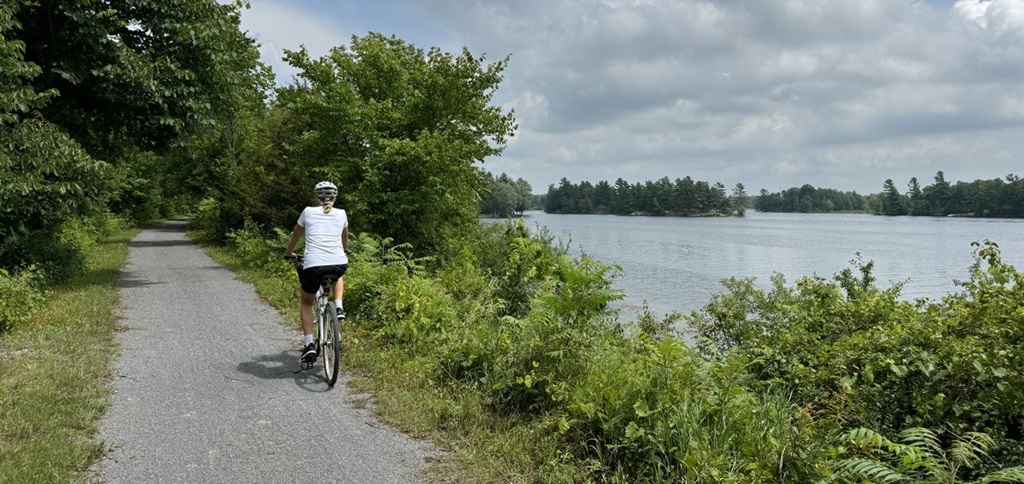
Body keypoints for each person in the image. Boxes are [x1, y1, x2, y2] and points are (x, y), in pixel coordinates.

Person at [284, 181, 349, 363]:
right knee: (339, 273)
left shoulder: (307, 212)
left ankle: (309, 344)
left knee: (306, 302)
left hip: (313, 265)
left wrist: (289, 253)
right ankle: (338, 306)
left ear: (316, 197)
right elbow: (345, 238)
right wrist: (341, 252)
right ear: (334, 198)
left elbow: (296, 235)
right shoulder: (342, 214)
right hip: (338, 262)